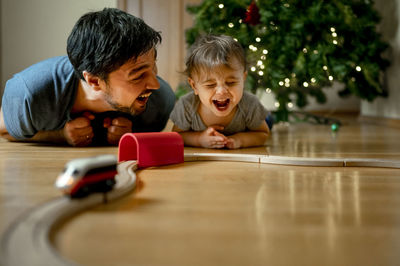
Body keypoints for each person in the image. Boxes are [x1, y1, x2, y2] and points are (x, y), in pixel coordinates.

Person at [0, 8, 175, 146]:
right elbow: (3, 131)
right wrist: (58, 136)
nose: (155, 84)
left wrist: (133, 136)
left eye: (153, 68)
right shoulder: (29, 94)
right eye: (138, 76)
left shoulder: (159, 102)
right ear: (94, 81)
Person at [170, 34, 270, 149]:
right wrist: (199, 139)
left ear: (243, 79)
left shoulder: (250, 104)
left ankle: (268, 117)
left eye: (231, 82)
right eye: (210, 85)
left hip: (254, 119)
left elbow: (263, 133)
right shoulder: (187, 106)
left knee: (267, 119)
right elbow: (177, 136)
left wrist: (239, 140)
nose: (221, 91)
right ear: (194, 86)